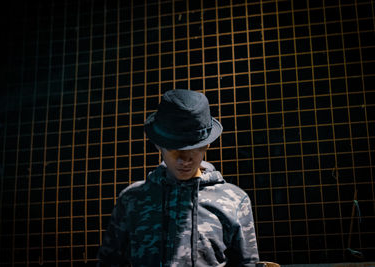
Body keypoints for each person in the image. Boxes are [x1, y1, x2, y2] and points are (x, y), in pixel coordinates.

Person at [97, 89, 259, 266]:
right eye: (175, 149)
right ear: (159, 144)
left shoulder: (235, 201)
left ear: (207, 145)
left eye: (194, 148)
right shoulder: (131, 200)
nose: (184, 160)